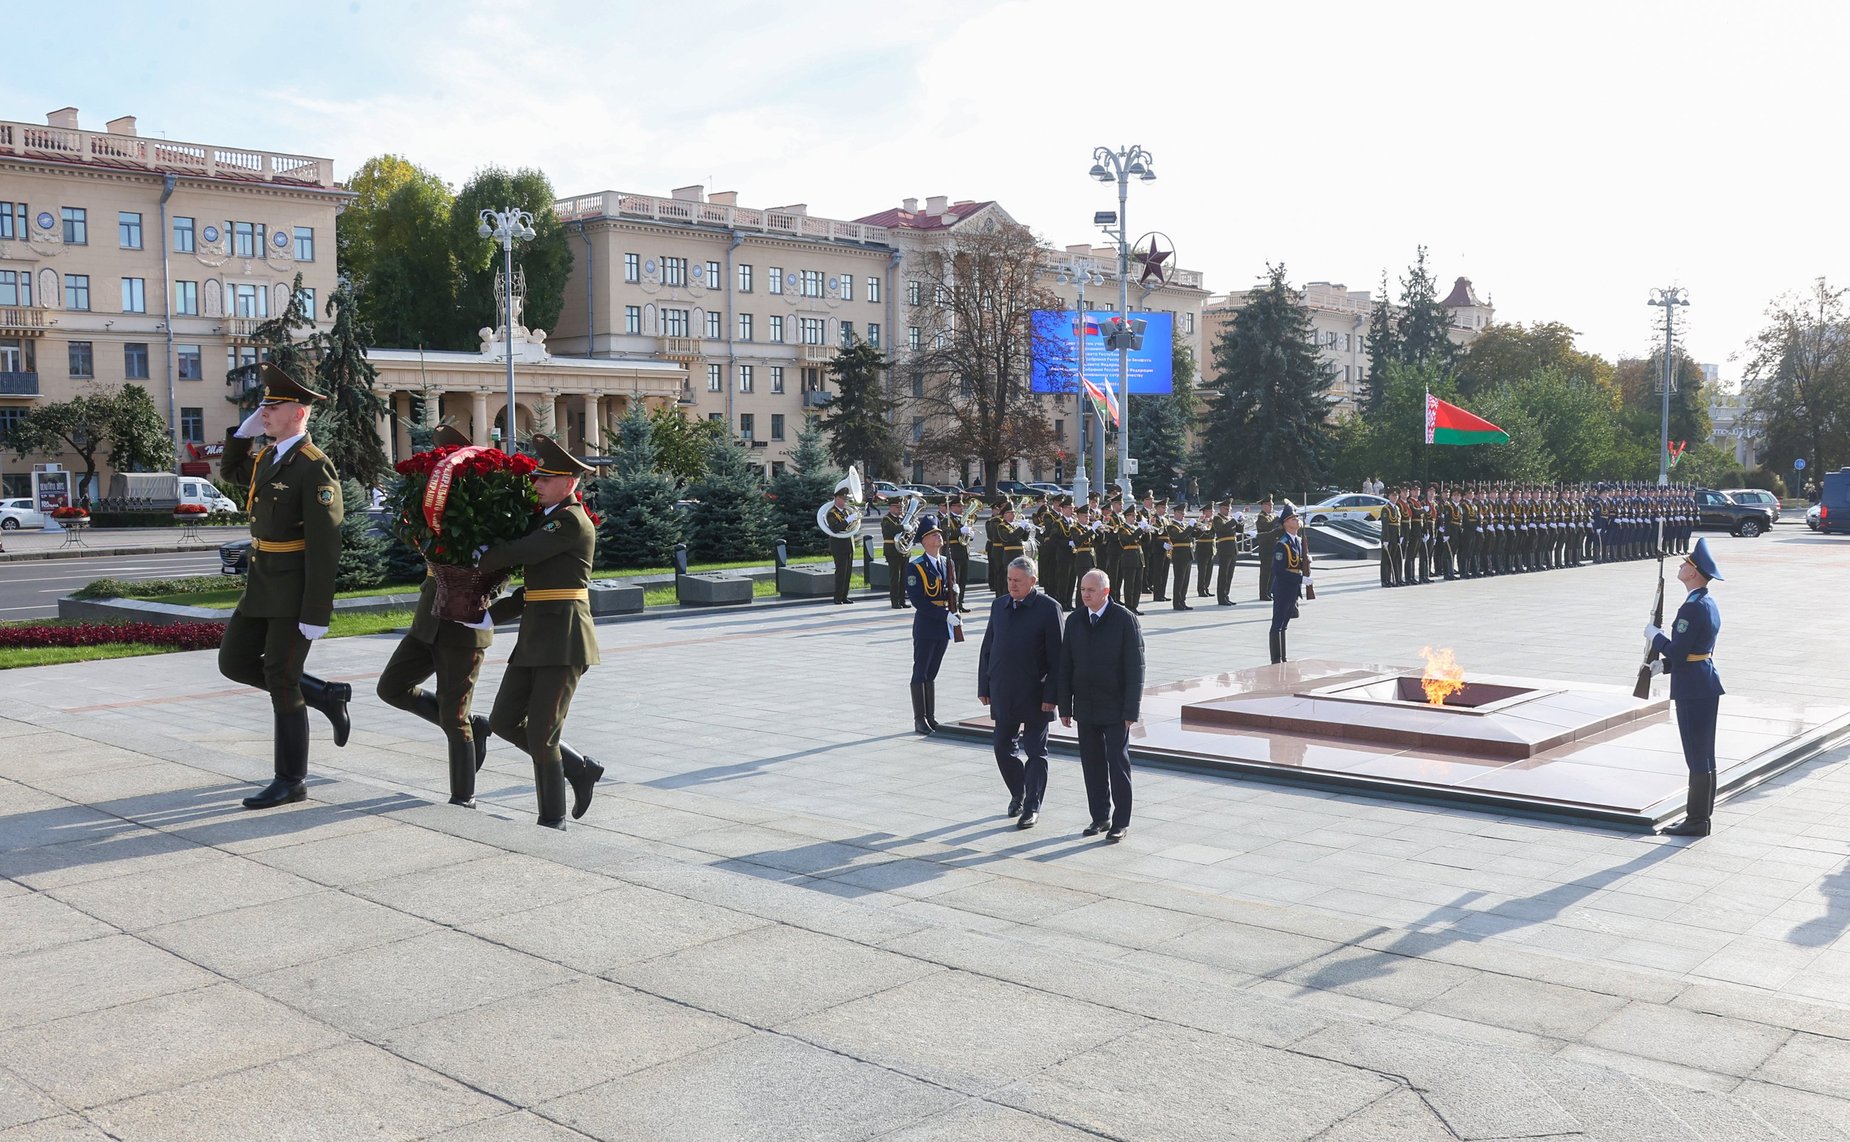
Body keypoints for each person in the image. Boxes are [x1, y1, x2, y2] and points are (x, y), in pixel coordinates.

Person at [217, 362, 350, 810]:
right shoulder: (268, 458)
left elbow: (325, 545)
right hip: (261, 586)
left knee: (280, 677)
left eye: (272, 407)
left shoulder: (314, 467)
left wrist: (316, 612)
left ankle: (291, 779)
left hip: (293, 592)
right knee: (234, 662)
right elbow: (229, 474)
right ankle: (326, 695)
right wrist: (242, 433)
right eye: (263, 407)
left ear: (298, 412)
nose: (264, 413)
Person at [480, 435, 604, 830]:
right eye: (537, 478)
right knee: (503, 721)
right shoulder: (549, 518)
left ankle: (553, 820)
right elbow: (533, 589)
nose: (536, 484)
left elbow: (523, 553)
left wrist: (480, 555)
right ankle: (579, 768)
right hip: (536, 637)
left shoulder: (569, 520)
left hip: (564, 639)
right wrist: (490, 617)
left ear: (568, 483)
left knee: (542, 734)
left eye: (545, 479)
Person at [375, 424, 497, 807]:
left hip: (462, 625)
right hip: (428, 619)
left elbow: (500, 569)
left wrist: (478, 600)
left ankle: (464, 797)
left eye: (448, 460)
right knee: (391, 687)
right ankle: (474, 727)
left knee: (453, 715)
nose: (439, 468)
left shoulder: (490, 506)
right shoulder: (434, 507)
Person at [1057, 569, 1143, 843]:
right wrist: (1065, 706)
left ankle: (1121, 821)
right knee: (1091, 764)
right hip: (1086, 705)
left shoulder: (1124, 619)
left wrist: (1131, 710)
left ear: (1105, 592)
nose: (1085, 594)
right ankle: (1100, 816)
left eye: (1091, 590)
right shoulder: (1075, 620)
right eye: (1082, 589)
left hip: (1116, 707)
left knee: (1117, 764)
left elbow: (1135, 667)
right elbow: (1065, 664)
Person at [1647, 538, 1726, 837]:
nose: (1681, 566)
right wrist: (1663, 666)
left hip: (1693, 689)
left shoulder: (1691, 609)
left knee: (1696, 755)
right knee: (1704, 754)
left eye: (1686, 564)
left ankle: (1695, 821)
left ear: (1693, 573)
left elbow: (1679, 651)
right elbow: (1695, 650)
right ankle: (1701, 818)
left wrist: (1655, 637)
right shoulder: (1706, 602)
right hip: (1703, 681)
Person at [978, 555, 1062, 830]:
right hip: (1004, 690)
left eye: (1018, 581)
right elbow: (988, 648)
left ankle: (1032, 806)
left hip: (1036, 694)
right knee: (1002, 747)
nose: (1012, 586)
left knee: (1036, 751)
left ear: (1033, 581)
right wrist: (984, 685)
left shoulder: (1049, 609)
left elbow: (1058, 658)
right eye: (1009, 580)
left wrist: (1052, 695)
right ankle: (1019, 791)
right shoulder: (999, 605)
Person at [905, 515, 959, 734]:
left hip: (943, 624)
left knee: (933, 671)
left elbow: (951, 591)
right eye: (933, 535)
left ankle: (931, 717)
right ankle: (919, 718)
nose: (939, 536)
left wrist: (955, 596)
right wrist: (944, 615)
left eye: (938, 534)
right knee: (921, 670)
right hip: (927, 623)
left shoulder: (948, 563)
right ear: (924, 541)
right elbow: (918, 600)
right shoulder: (916, 566)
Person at [1269, 504, 1311, 664]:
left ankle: (1283, 657)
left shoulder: (1298, 541)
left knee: (1284, 624)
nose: (1297, 520)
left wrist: (1305, 562)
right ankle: (1276, 659)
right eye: (1293, 518)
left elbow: (1296, 563)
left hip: (1293, 588)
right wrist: (1301, 579)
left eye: (1297, 518)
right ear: (1286, 523)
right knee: (1277, 623)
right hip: (1282, 588)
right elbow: (1279, 571)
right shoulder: (1283, 543)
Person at [824, 484, 859, 606]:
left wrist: (854, 519)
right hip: (838, 546)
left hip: (849, 545)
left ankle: (844, 596)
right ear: (837, 498)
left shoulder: (845, 512)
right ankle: (837, 597)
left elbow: (851, 528)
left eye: (845, 499)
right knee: (841, 572)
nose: (845, 501)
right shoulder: (831, 514)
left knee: (848, 572)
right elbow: (835, 528)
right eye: (843, 499)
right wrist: (848, 520)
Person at [882, 498, 910, 609]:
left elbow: (906, 535)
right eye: (898, 507)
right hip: (892, 551)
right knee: (895, 578)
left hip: (903, 551)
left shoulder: (902, 519)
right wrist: (903, 527)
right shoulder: (886, 519)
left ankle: (902, 600)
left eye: (901, 507)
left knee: (903, 577)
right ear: (891, 507)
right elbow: (890, 530)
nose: (900, 509)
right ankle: (895, 601)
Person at [1254, 496, 1279, 600]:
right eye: (1269, 505)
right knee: (1265, 572)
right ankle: (1263, 593)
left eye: (1272, 505)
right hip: (1265, 548)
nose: (1271, 507)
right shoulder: (1261, 518)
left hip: (1272, 547)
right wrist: (1277, 519)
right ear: (1264, 506)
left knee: (1272, 571)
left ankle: (1269, 591)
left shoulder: (1270, 516)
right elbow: (1269, 527)